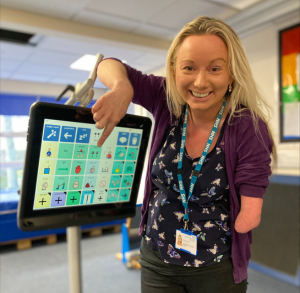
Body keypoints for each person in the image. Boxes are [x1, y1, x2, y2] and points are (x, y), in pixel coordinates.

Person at [92, 16, 275, 293]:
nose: (200, 82)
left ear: (231, 73)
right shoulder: (167, 100)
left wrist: (248, 211)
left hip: (215, 266)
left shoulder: (246, 124)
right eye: (189, 68)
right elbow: (106, 64)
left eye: (215, 68)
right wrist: (122, 86)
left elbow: (253, 191)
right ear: (175, 70)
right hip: (157, 257)